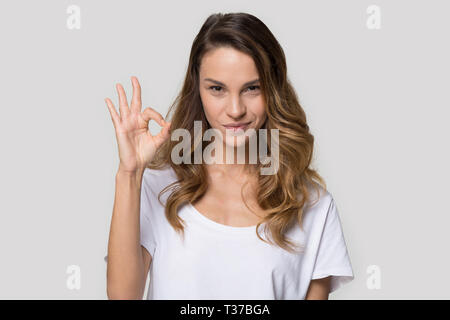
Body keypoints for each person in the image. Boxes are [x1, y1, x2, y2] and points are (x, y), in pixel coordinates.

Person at [104, 12, 354, 300]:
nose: (235, 110)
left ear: (273, 89)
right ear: (198, 90)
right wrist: (130, 174)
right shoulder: (158, 187)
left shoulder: (312, 206)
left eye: (252, 88)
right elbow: (123, 297)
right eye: (217, 89)